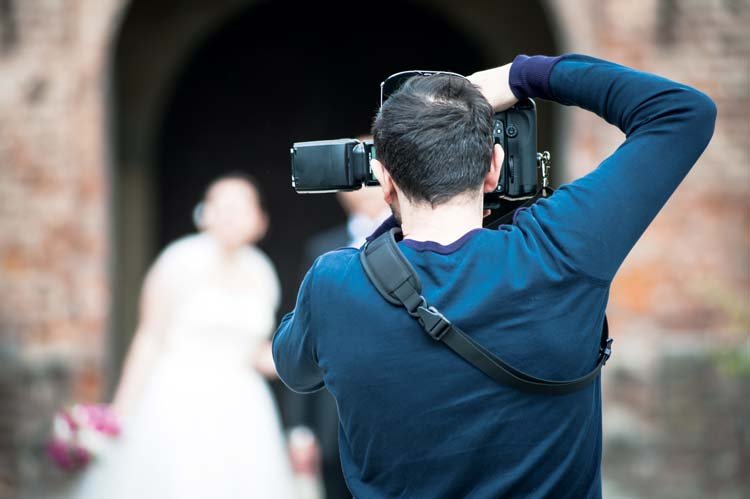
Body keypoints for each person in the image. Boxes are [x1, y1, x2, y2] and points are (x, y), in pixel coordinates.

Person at [272, 53, 716, 498]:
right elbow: (681, 113)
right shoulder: (559, 249)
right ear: (493, 168)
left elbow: (293, 366)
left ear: (384, 180)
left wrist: (391, 227)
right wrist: (520, 76)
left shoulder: (335, 285)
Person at [72, 174, 295, 498]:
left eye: (241, 207)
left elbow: (258, 351)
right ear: (205, 213)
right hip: (178, 397)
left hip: (242, 407)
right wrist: (119, 412)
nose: (230, 215)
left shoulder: (262, 271)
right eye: (221, 205)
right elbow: (149, 339)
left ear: (260, 221)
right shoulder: (178, 261)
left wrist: (309, 361)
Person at [284, 187, 389, 499]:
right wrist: (300, 428)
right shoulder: (321, 248)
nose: (367, 186)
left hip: (397, 414)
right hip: (334, 421)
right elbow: (304, 336)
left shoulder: (414, 237)